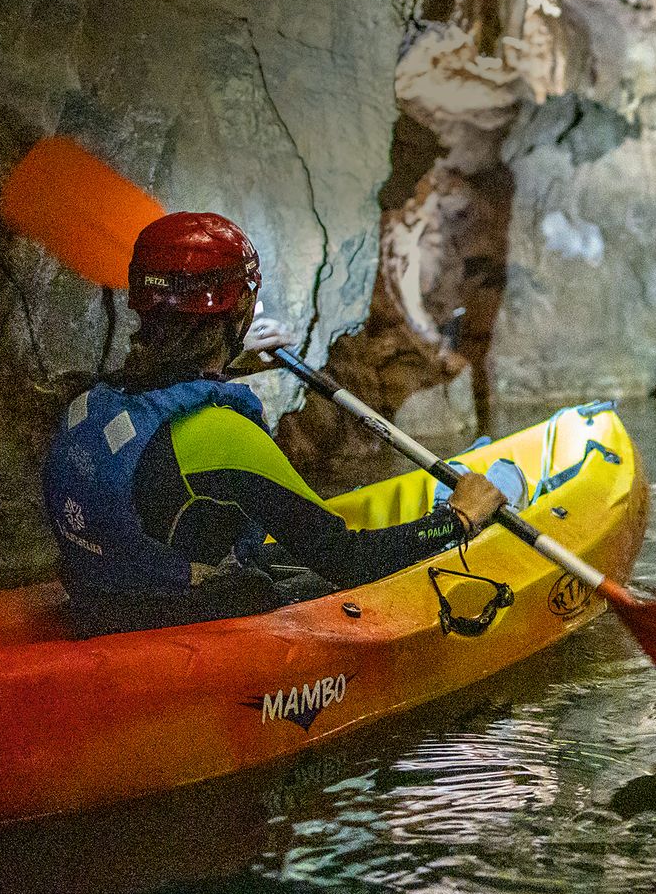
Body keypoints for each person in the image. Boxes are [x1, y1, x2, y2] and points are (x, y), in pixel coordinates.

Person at [41, 211, 507, 637]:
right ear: (240, 311)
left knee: (277, 556)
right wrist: (457, 518)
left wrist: (234, 363)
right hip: (181, 624)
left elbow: (163, 390)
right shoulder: (221, 436)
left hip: (101, 601)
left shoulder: (93, 400)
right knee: (316, 573)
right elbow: (348, 560)